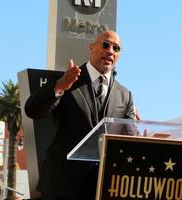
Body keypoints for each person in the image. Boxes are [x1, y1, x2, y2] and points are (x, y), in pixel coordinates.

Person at [25, 30, 137, 200]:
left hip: (102, 187)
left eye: (116, 48)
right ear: (91, 48)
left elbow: (128, 138)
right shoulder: (67, 80)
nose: (110, 51)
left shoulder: (125, 95)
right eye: (106, 45)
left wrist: (140, 138)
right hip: (61, 186)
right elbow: (33, 110)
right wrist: (59, 87)